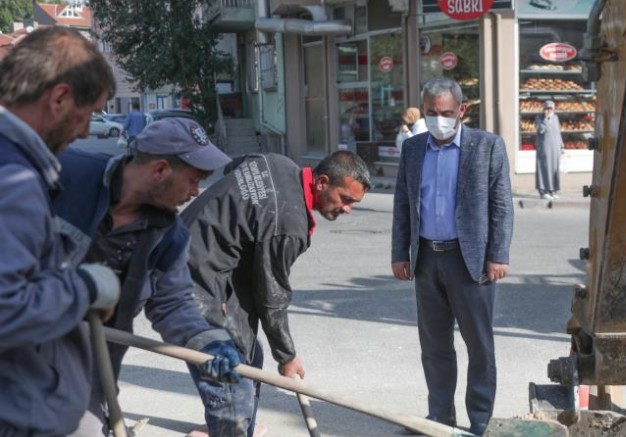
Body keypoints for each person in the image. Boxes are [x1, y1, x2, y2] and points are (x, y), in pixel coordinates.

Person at [54, 118, 243, 436]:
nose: (196, 192)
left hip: (84, 373)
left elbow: (174, 305)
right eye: (194, 180)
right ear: (159, 170)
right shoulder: (65, 174)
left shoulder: (169, 237)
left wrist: (211, 345)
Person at [181, 150, 372, 437]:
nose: (347, 209)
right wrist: (287, 356)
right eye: (345, 199)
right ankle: (229, 427)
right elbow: (272, 295)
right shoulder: (288, 224)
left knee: (251, 357)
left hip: (208, 264)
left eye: (353, 203)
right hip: (192, 283)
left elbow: (238, 164)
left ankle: (239, 427)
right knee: (231, 377)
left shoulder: (278, 163)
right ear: (321, 183)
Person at [0, 26, 122, 436]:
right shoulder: (12, 178)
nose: (86, 131)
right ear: (59, 98)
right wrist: (84, 288)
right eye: (86, 115)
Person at [391, 77, 514, 436]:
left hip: (470, 261)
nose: (439, 119)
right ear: (423, 110)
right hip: (427, 258)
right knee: (434, 346)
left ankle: (479, 422)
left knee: (479, 347)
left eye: (446, 113)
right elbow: (402, 203)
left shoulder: (487, 146)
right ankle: (440, 419)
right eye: (431, 113)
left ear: (461, 110)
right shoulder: (413, 149)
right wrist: (400, 252)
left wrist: (498, 254)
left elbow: (501, 205)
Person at [535, 100, 562, 200]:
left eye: (551, 108)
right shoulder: (539, 118)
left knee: (555, 169)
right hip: (544, 148)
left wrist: (561, 146)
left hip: (555, 148)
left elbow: (558, 132)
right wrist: (546, 119)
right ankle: (543, 191)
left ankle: (553, 190)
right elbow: (540, 130)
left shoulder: (556, 118)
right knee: (544, 169)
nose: (549, 110)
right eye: (547, 108)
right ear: (544, 109)